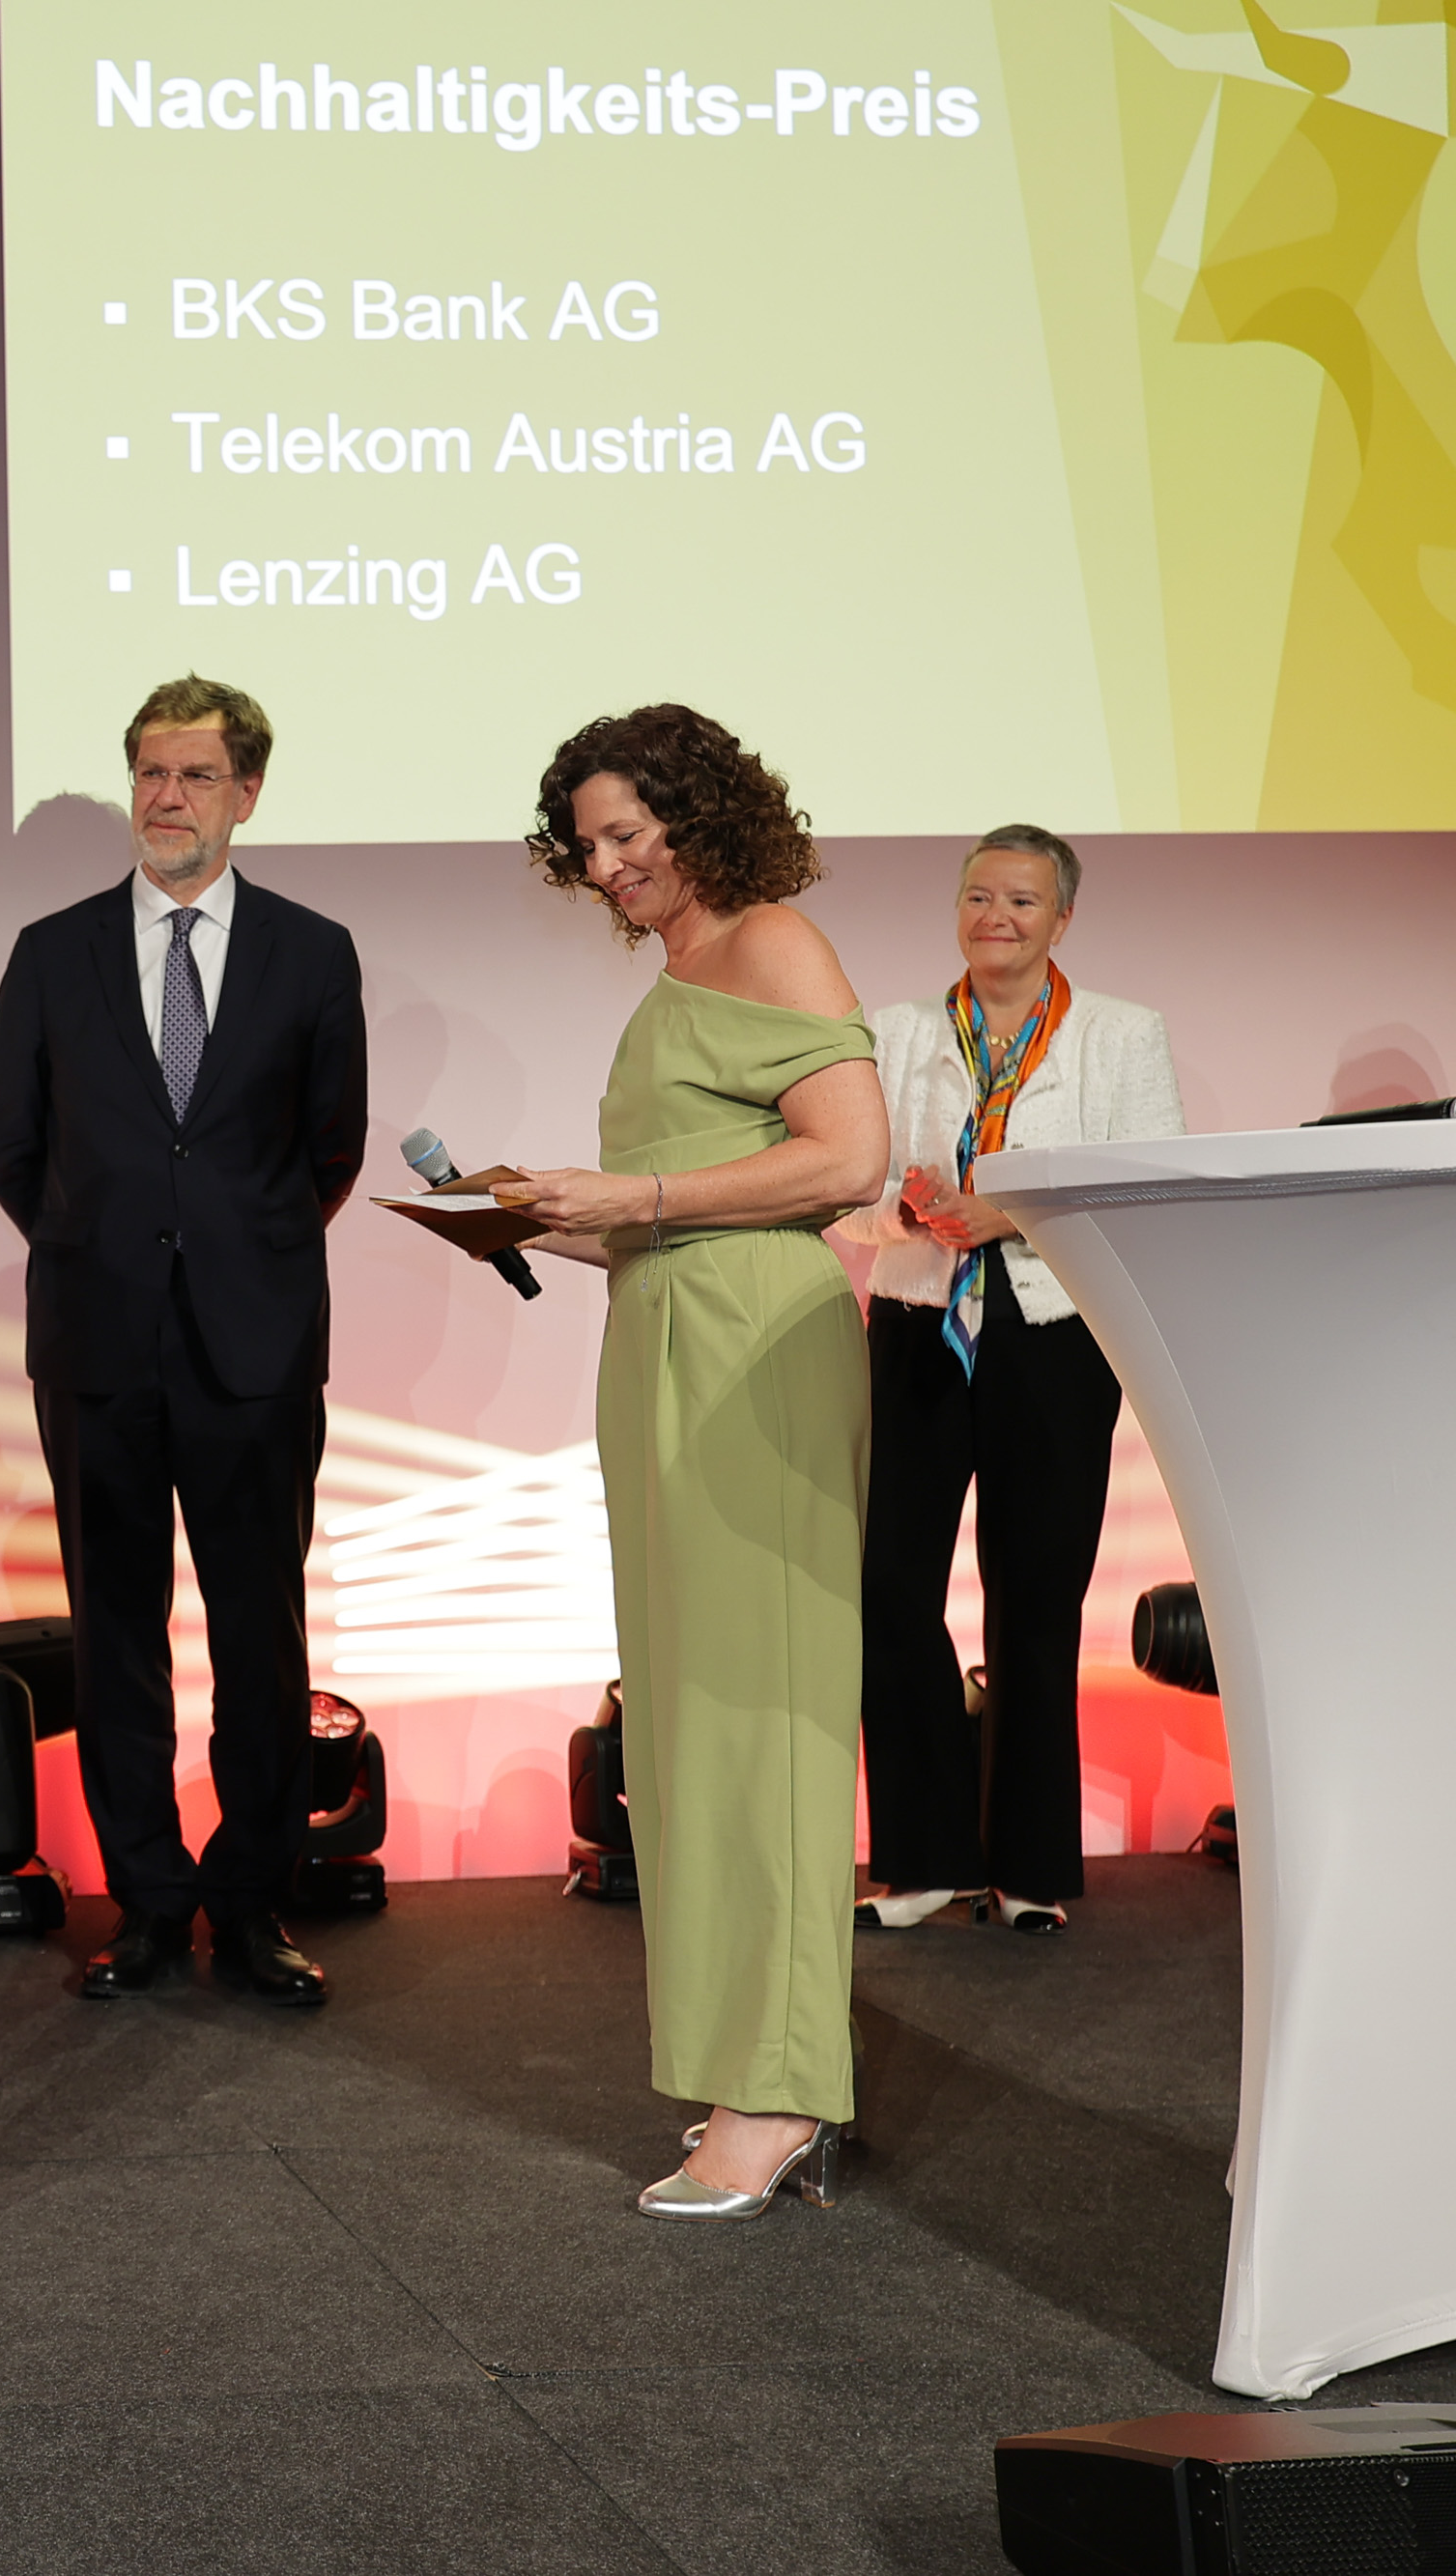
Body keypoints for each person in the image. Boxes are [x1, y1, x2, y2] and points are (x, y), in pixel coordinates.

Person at [496, 706, 888, 2222]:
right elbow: (680, 1205)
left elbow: (848, 1157)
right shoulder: (681, 972)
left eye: (625, 833)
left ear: (699, 811)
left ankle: (780, 2089)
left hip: (755, 1356)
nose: (605, 867)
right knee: (686, 1722)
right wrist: (540, 1216)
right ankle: (746, 2065)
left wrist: (637, 1193)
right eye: (583, 846)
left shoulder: (773, 940)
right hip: (669, 1342)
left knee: (759, 1717)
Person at [0, 676, 366, 2009]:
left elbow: (328, 1152)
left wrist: (233, 1254)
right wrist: (109, 1249)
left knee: (261, 1630)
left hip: (256, 1345)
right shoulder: (52, 950)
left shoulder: (313, 952)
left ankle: (252, 1897)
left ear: (246, 792)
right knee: (115, 1632)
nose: (167, 796)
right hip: (96, 1341)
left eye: (197, 774)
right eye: (150, 771)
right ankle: (147, 1898)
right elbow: (15, 1149)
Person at [845, 827, 1182, 1937]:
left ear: (1061, 918)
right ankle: (922, 1858)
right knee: (888, 1587)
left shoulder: (1121, 1035)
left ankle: (1028, 1867)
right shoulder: (896, 1032)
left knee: (1035, 1600)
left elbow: (1144, 1190)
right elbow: (847, 1185)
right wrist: (907, 1213)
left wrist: (1012, 1216)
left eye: (1022, 901)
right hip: (916, 1321)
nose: (997, 916)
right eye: (979, 896)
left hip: (1053, 1337)